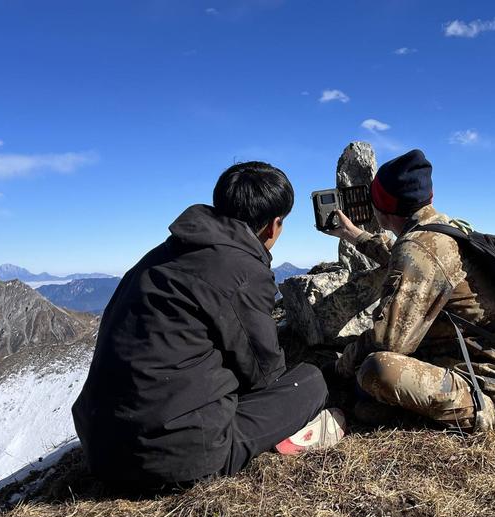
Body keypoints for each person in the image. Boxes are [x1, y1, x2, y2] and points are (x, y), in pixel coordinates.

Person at [72, 161, 345, 490]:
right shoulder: (241, 269)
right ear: (273, 227)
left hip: (100, 447)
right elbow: (265, 375)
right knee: (312, 381)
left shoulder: (162, 255)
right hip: (172, 460)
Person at [322, 149, 495, 432]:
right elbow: (410, 261)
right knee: (371, 397)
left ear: (384, 207)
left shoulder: (419, 246)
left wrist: (338, 368)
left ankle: (465, 410)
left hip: (494, 393)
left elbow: (386, 342)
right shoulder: (442, 229)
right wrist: (356, 236)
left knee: (377, 369)